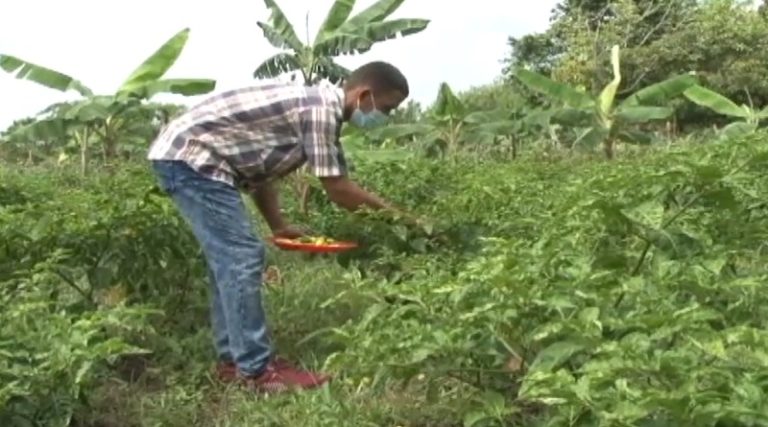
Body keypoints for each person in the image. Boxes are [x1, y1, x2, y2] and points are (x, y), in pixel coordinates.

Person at [147, 61, 412, 394]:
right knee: (242, 257)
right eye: (386, 108)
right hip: (190, 156)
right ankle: (257, 372)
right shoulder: (320, 110)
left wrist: (279, 225)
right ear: (364, 95)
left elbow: (260, 174)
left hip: (189, 156)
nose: (384, 117)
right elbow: (338, 189)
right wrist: (404, 220)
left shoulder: (317, 110)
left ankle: (235, 361)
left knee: (229, 262)